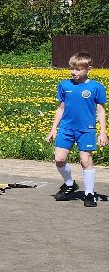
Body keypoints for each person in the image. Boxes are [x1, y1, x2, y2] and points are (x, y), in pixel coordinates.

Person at [46, 51, 107, 208]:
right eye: (72, 69)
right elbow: (61, 108)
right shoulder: (64, 85)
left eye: (78, 69)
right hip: (66, 129)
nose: (74, 72)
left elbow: (101, 111)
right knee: (59, 159)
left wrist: (103, 132)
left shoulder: (97, 87)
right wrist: (53, 129)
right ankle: (69, 184)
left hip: (86, 130)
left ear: (89, 69)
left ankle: (89, 194)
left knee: (85, 161)